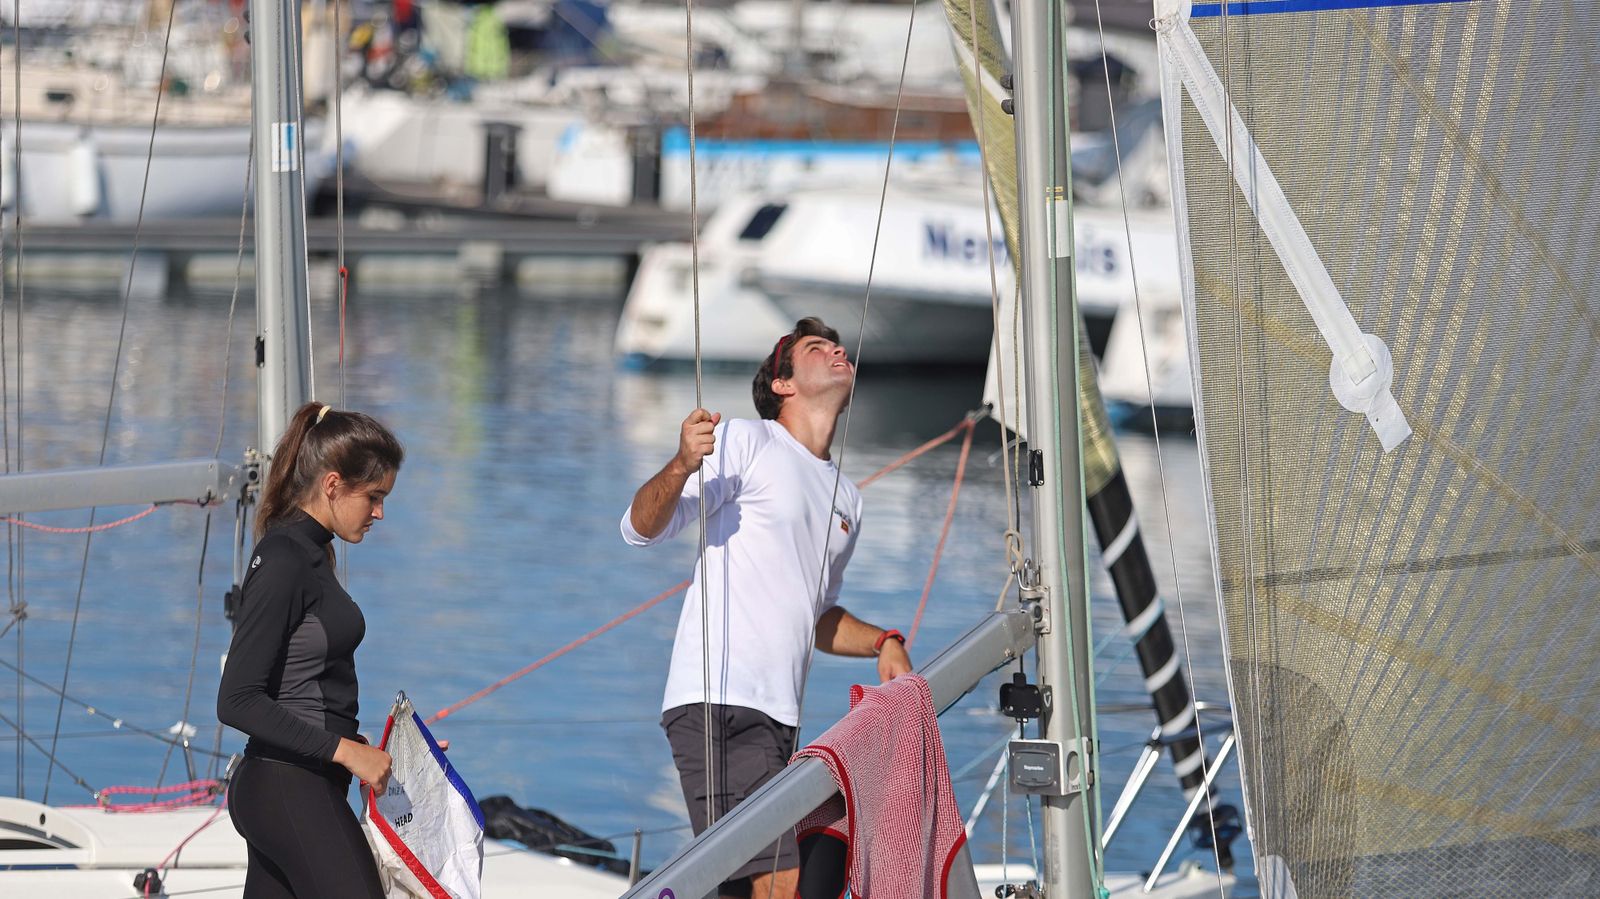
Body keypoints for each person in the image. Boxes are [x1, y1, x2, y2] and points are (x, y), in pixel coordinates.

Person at [622, 317, 913, 899]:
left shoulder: (847, 499)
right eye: (815, 346)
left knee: (799, 862)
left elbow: (819, 615)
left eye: (838, 343)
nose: (836, 349)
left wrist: (884, 640)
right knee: (780, 882)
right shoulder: (747, 441)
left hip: (779, 718)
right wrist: (681, 464)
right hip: (720, 701)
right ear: (783, 383)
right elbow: (639, 528)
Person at [217, 402, 404, 899]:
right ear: (333, 484)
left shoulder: (313, 555)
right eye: (375, 496)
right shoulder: (282, 557)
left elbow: (305, 692)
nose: (380, 512)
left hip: (302, 785)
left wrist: (372, 749)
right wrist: (347, 753)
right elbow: (236, 699)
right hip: (286, 787)